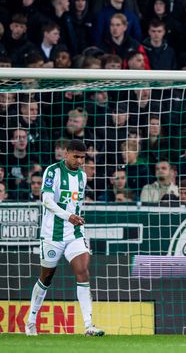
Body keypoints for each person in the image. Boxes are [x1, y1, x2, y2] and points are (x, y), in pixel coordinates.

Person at [25, 139, 104, 337]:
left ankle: (89, 325)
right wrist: (67, 216)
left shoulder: (83, 177)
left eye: (82, 158)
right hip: (52, 234)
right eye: (76, 156)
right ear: (66, 153)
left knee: (83, 270)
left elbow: (75, 204)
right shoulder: (53, 171)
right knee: (46, 278)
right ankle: (31, 322)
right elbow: (46, 200)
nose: (79, 161)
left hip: (74, 233)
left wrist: (74, 218)